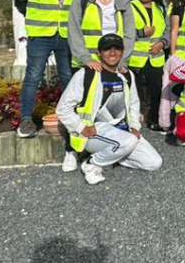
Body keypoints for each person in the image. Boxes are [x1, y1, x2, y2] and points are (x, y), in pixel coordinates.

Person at [55, 34, 162, 185]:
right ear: (98, 52)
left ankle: (110, 157)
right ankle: (92, 163)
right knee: (128, 141)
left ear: (122, 51)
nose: (112, 53)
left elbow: (134, 104)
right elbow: (62, 108)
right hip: (94, 132)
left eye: (117, 48)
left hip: (123, 132)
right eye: (107, 49)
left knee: (154, 163)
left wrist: (135, 126)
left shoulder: (127, 75)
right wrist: (81, 127)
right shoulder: (86, 74)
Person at [13, 0, 86, 139]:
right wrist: (38, 19)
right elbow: (20, 0)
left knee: (68, 78)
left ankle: (70, 116)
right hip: (41, 34)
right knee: (33, 77)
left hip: (67, 35)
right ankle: (26, 119)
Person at [67, 0, 135, 73]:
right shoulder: (80, 1)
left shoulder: (124, 3)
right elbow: (74, 32)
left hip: (114, 63)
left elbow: (129, 35)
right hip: (87, 64)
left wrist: (122, 61)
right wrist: (86, 59)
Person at [127, 0, 169, 132]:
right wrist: (140, 33)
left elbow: (167, 31)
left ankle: (153, 119)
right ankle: (133, 120)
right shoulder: (130, 6)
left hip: (155, 57)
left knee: (156, 90)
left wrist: (162, 43)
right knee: (134, 92)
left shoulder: (160, 8)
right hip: (136, 58)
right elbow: (124, 30)